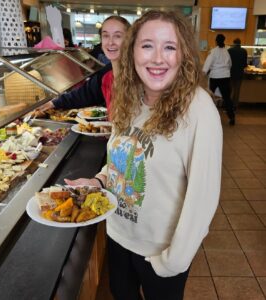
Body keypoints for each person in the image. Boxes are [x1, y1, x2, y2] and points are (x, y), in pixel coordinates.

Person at [65, 10, 223, 300]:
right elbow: (120, 157)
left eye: (170, 47)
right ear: (132, 52)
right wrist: (99, 182)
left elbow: (204, 197)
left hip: (159, 250)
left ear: (183, 54)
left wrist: (172, 262)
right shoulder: (130, 96)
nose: (158, 58)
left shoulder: (199, 109)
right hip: (118, 233)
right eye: (147, 45)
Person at [33, 16, 130, 117]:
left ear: (129, 40)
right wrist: (54, 103)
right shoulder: (106, 75)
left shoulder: (140, 74)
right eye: (105, 36)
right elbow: (86, 93)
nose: (110, 42)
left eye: (117, 36)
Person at [203, 34, 235, 125]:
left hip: (215, 76)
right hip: (225, 77)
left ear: (216, 41)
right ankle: (232, 117)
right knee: (227, 98)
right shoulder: (227, 51)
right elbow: (230, 64)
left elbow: (207, 64)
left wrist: (203, 72)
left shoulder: (213, 51)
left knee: (210, 97)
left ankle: (208, 116)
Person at [228, 38, 247, 109]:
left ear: (233, 43)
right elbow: (245, 64)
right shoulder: (244, 51)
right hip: (239, 74)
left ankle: (228, 105)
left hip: (231, 73)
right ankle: (235, 105)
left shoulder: (229, 50)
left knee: (229, 90)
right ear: (240, 43)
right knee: (237, 90)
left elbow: (227, 63)